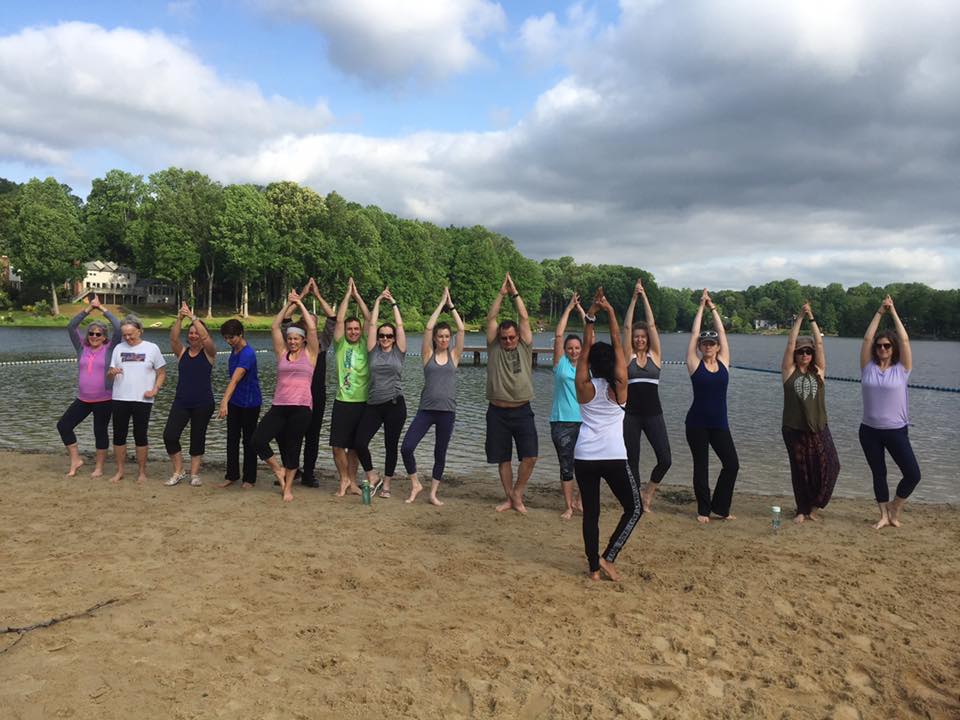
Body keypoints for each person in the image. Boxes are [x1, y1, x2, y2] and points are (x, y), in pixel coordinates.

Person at [574, 288, 642, 581]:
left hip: (585, 455)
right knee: (635, 508)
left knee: (592, 513)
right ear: (613, 363)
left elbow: (585, 350)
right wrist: (611, 311)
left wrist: (590, 316)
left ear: (590, 364)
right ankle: (608, 557)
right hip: (613, 456)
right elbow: (618, 343)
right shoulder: (621, 386)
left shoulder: (584, 387)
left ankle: (593, 570)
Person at [251, 290, 320, 502]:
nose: (292, 341)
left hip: (301, 408)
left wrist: (300, 303)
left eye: (296, 338)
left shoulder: (311, 354)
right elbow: (274, 326)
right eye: (289, 338)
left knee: (293, 447)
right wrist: (288, 304)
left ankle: (287, 487)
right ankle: (278, 470)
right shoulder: (282, 354)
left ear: (303, 340)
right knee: (257, 440)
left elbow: (313, 327)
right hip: (280, 406)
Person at [859, 294, 920, 530]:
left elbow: (905, 341)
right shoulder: (867, 368)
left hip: (896, 430)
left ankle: (896, 506)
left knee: (913, 474)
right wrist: (879, 312)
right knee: (879, 473)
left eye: (887, 345)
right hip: (869, 431)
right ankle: (884, 515)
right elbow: (866, 339)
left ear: (893, 349)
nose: (882, 348)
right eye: (879, 345)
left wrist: (893, 311)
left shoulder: (902, 369)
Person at [400, 287, 465, 506]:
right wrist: (441, 304)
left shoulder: (454, 355)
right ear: (435, 339)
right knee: (407, 447)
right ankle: (416, 484)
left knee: (440, 452)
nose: (444, 339)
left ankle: (433, 493)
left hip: (447, 411)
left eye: (447, 336)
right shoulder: (427, 355)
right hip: (426, 410)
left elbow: (462, 329)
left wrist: (452, 305)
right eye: (441, 336)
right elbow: (428, 327)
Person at [781, 302, 840, 523]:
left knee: (831, 465)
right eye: (801, 351)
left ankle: (814, 506)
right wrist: (798, 319)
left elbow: (821, 344)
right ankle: (801, 510)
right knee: (800, 470)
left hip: (818, 427)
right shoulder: (789, 373)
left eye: (808, 351)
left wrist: (812, 318)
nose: (805, 354)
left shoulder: (819, 372)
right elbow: (789, 344)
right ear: (796, 355)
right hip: (793, 428)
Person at [485, 272, 538, 514]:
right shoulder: (494, 346)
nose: (507, 341)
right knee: (503, 458)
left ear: (518, 336)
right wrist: (500, 293)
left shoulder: (525, 346)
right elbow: (492, 316)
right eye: (504, 338)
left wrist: (514, 293)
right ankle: (509, 498)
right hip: (497, 412)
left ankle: (518, 493)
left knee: (530, 456)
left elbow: (525, 317)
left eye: (511, 338)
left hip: (522, 410)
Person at [684, 289, 738, 523]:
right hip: (696, 424)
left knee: (732, 464)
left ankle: (721, 508)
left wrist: (712, 307)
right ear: (700, 346)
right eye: (704, 343)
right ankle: (703, 511)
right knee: (701, 466)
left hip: (719, 424)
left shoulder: (724, 363)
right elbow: (694, 332)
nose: (708, 346)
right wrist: (700, 307)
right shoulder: (695, 364)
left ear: (717, 347)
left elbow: (723, 333)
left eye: (711, 344)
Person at [621, 277, 672, 512]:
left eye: (643, 337)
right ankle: (634, 500)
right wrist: (633, 298)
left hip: (654, 414)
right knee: (632, 461)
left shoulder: (655, 356)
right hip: (630, 415)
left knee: (665, 458)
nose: (640, 338)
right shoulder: (628, 357)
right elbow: (627, 327)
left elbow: (651, 325)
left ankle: (648, 492)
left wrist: (645, 297)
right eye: (636, 337)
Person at [58, 293, 121, 477]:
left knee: (99, 432)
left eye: (98, 334)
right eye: (91, 333)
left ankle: (99, 468)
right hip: (83, 399)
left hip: (104, 399)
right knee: (63, 425)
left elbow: (118, 328)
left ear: (104, 337)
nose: (94, 336)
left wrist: (101, 309)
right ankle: (76, 460)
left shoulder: (110, 348)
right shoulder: (81, 348)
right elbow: (71, 326)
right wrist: (88, 309)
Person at [282, 278, 336, 488]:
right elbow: (286, 318)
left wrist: (317, 295)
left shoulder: (321, 344)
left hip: (316, 395)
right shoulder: (293, 344)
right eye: (306, 321)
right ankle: (291, 471)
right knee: (290, 434)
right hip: (294, 395)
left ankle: (309, 474)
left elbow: (332, 317)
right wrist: (300, 296)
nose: (310, 323)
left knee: (312, 436)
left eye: (313, 320)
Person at [355, 287, 407, 498]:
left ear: (394, 339)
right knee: (359, 442)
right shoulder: (372, 351)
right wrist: (377, 301)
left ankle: (386, 484)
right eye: (382, 336)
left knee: (390, 446)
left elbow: (401, 325)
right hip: (374, 404)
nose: (385, 338)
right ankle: (371, 474)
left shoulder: (399, 352)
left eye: (388, 336)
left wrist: (393, 303)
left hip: (395, 404)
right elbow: (373, 324)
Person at [163, 302, 217, 487]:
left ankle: (194, 474)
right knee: (169, 435)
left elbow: (207, 337)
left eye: (197, 333)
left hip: (203, 402)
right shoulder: (182, 352)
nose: (193, 335)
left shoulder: (209, 353)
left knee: (197, 437)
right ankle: (179, 471)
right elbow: (173, 339)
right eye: (191, 332)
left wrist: (193, 317)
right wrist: (180, 318)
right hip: (182, 401)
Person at [107, 314, 166, 483]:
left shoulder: (152, 348)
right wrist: (111, 373)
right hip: (120, 398)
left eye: (131, 334)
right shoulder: (118, 348)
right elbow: (110, 374)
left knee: (140, 435)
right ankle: (120, 471)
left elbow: (161, 373)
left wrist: (155, 389)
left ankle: (141, 472)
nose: (128, 337)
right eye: (124, 334)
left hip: (143, 399)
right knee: (119, 435)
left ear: (140, 331)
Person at [330, 277, 371, 497]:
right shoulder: (340, 344)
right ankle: (344, 478)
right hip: (342, 401)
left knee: (355, 447)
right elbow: (338, 321)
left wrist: (358, 297)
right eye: (350, 329)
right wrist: (347, 295)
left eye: (356, 329)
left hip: (362, 402)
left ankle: (353, 482)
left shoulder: (366, 343)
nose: (353, 331)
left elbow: (369, 318)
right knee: (337, 446)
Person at [550, 293, 586, 519]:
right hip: (561, 421)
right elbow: (559, 333)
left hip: (586, 421)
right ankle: (568, 506)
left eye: (577, 348)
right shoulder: (560, 363)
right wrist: (569, 308)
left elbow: (588, 332)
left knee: (586, 464)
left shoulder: (587, 363)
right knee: (566, 465)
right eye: (570, 348)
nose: (573, 351)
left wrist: (581, 311)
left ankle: (581, 501)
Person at [217, 318, 262, 489]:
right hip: (235, 401)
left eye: (231, 337)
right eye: (226, 338)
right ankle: (232, 475)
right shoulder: (234, 350)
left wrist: (223, 402)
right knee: (232, 439)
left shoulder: (247, 354)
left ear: (240, 334)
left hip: (250, 402)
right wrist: (228, 401)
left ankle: (249, 478)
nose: (228, 341)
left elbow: (235, 380)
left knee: (249, 440)